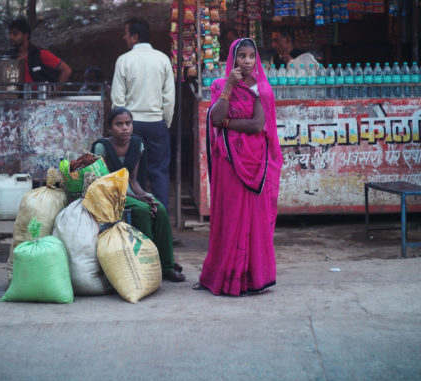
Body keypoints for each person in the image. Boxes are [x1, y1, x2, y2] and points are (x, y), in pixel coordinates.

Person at [194, 38, 283, 296]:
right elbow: (215, 118)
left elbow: (257, 125)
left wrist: (227, 124)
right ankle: (222, 275)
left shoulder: (262, 90)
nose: (246, 61)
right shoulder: (221, 85)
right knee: (228, 217)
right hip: (228, 163)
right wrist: (230, 88)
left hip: (255, 163)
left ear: (256, 60)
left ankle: (252, 279)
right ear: (232, 59)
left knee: (254, 219)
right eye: (241, 56)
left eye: (251, 56)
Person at [91, 107, 185, 282]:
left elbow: (134, 181)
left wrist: (145, 196)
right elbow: (105, 184)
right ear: (110, 128)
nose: (125, 128)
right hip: (109, 195)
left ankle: (166, 266)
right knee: (142, 210)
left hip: (131, 192)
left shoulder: (137, 143)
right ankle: (147, 264)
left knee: (160, 209)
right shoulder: (101, 147)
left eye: (128, 123)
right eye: (119, 124)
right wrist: (139, 199)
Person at [111, 17, 175, 213]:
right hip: (156, 123)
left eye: (126, 34)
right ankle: (160, 217)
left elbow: (117, 99)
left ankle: (136, 218)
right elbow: (169, 97)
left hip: (131, 125)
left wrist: (120, 126)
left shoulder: (124, 60)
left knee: (133, 174)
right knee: (159, 172)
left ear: (135, 37)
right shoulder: (163, 59)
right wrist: (166, 122)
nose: (124, 37)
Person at [8, 17, 72, 85]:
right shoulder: (8, 56)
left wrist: (54, 92)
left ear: (25, 36)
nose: (10, 37)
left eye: (15, 34)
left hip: (38, 95)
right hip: (14, 95)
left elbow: (66, 70)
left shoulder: (40, 54)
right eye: (9, 33)